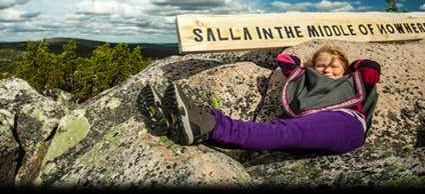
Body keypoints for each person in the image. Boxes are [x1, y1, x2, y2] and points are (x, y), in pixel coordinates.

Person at [136, 45, 381, 154]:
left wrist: (350, 65)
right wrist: (303, 65)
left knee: (282, 132)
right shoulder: (307, 78)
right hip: (314, 128)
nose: (328, 70)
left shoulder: (356, 80)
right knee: (272, 135)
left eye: (334, 66)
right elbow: (285, 61)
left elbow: (372, 67)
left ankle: (208, 121)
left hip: (345, 124)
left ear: (347, 69)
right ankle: (191, 128)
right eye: (321, 66)